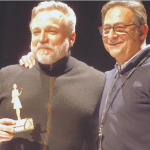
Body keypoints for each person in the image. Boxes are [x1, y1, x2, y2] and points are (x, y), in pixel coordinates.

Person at [0, 1, 105, 150]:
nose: (42, 38)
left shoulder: (98, 82)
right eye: (36, 32)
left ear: (71, 38)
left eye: (52, 31)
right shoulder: (6, 76)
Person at [98, 1, 150, 150]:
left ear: (142, 32)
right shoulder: (108, 77)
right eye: (106, 29)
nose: (111, 36)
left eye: (120, 28)